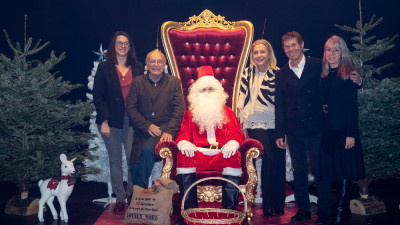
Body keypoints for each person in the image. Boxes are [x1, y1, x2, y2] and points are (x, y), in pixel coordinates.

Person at [174, 65, 245, 225]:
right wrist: (184, 142)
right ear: (196, 93)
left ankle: (230, 211)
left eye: (211, 89)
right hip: (198, 154)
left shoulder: (227, 112)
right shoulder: (190, 114)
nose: (207, 93)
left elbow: (237, 133)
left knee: (234, 155)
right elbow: (182, 134)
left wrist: (233, 143)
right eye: (203, 89)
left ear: (218, 92)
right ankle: (188, 213)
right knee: (184, 156)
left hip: (221, 153)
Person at [93, 31, 144, 212]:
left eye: (126, 43)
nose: (122, 46)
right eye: (119, 43)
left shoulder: (138, 67)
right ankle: (120, 199)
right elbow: (98, 97)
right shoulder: (104, 67)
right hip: (110, 123)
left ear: (130, 47)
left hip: (131, 122)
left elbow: (142, 95)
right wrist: (104, 121)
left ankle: (131, 195)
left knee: (132, 160)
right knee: (115, 161)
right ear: (113, 46)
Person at [318, 35, 365, 225]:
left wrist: (351, 134)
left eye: (336, 50)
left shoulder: (348, 74)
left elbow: (352, 108)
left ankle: (341, 211)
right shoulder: (323, 74)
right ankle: (340, 211)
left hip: (344, 130)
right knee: (334, 173)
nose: (332, 53)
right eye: (329, 49)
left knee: (345, 173)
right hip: (329, 132)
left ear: (342, 52)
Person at [237, 39, 286, 217]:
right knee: (270, 158)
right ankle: (268, 204)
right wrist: (242, 125)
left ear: (269, 54)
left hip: (277, 122)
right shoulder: (247, 73)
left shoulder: (278, 73)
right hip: (255, 122)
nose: (259, 55)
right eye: (256, 52)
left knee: (279, 161)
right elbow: (241, 100)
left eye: (262, 52)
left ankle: (279, 204)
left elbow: (284, 102)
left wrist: (285, 127)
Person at [126, 49, 185, 190]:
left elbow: (179, 109)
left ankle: (140, 189)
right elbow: (131, 109)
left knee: (147, 150)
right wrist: (147, 125)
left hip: (164, 130)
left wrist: (170, 131)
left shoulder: (174, 82)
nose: (156, 64)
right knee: (135, 158)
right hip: (143, 130)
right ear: (147, 64)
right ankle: (136, 193)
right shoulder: (137, 82)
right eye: (152, 61)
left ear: (164, 64)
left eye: (159, 61)